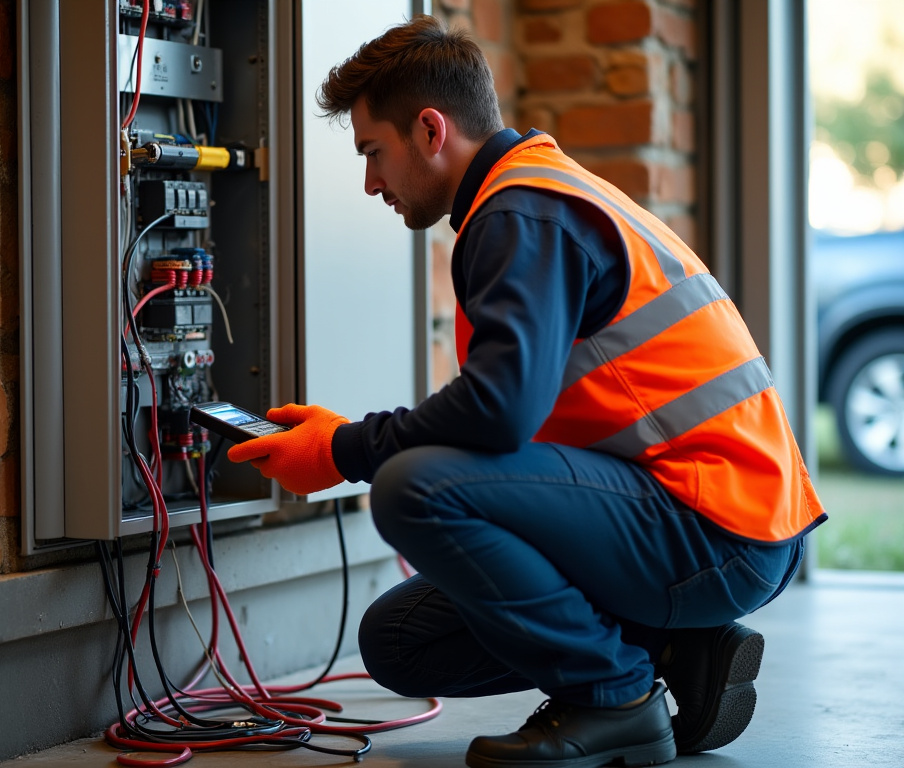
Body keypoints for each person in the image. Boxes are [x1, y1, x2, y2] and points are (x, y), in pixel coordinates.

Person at [226, 14, 826, 768]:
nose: (371, 182)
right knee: (401, 641)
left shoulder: (521, 213)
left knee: (413, 488)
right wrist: (345, 438)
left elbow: (498, 412)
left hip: (716, 529)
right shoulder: (531, 196)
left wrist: (344, 449)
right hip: (711, 519)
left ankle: (616, 699)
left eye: (373, 152)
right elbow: (517, 412)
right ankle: (677, 647)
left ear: (431, 130)